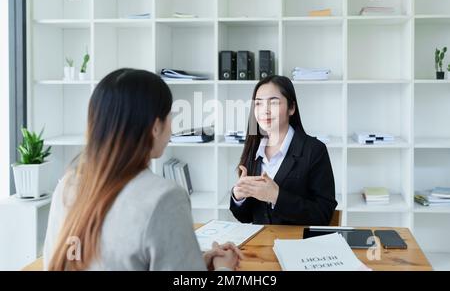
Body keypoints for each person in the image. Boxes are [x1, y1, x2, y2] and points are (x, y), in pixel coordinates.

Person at [43, 68, 242, 271]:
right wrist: (223, 269)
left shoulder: (67, 186)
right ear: (155, 127)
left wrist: (195, 260)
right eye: (170, 116)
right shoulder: (165, 197)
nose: (172, 127)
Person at [230, 75, 337, 225]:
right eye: (258, 104)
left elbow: (323, 215)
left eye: (273, 102)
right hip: (261, 243)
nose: (264, 111)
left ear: (291, 108)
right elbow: (246, 217)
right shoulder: (254, 149)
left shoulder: (314, 150)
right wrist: (239, 197)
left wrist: (276, 196)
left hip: (297, 244)